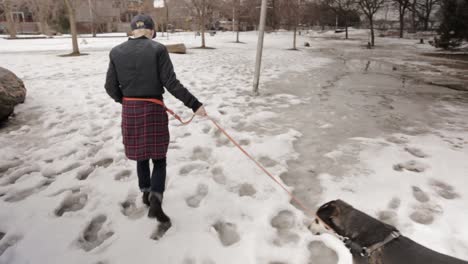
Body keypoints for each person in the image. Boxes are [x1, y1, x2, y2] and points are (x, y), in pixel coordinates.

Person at [105, 14, 207, 224]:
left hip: (131, 110)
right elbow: (172, 83)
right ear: (151, 30)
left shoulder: (116, 52)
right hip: (153, 109)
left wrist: (125, 101)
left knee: (142, 155)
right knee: (158, 158)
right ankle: (156, 199)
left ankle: (145, 193)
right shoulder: (158, 49)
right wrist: (195, 104)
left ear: (132, 31)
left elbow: (110, 87)